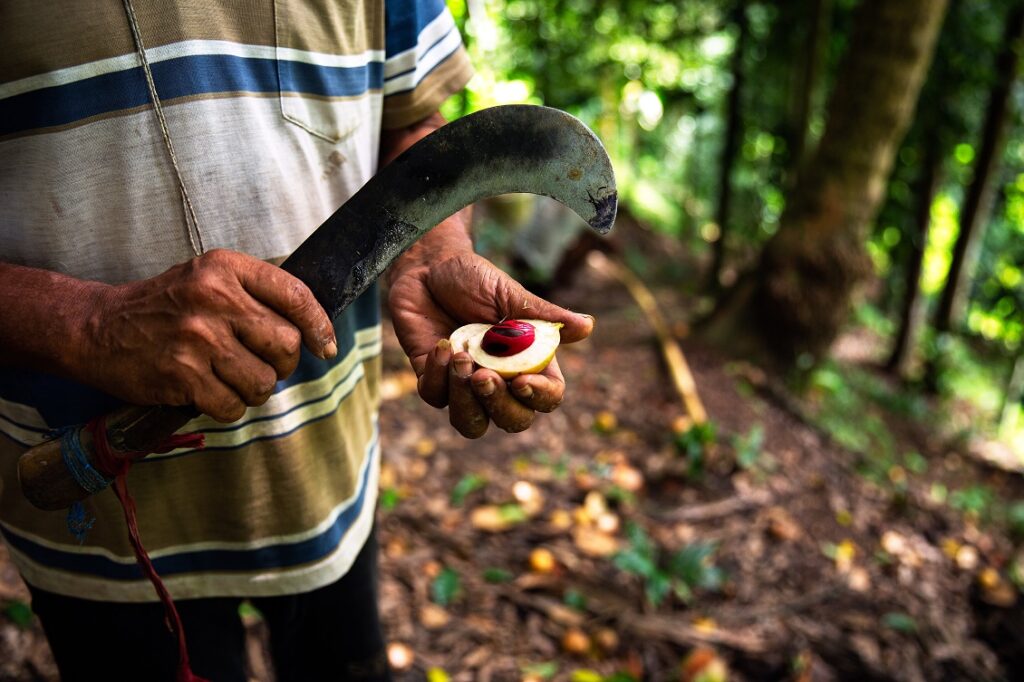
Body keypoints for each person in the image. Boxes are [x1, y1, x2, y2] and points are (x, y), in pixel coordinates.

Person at [0, 1, 593, 680]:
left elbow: (412, 114)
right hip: (97, 515)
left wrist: (430, 246)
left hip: (329, 479)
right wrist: (84, 324)